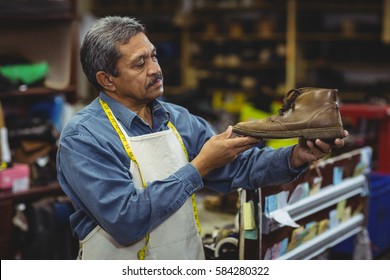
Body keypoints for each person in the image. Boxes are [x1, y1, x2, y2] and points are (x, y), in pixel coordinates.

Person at [56, 16, 347, 260]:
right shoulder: (84, 137)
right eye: (139, 63)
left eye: (153, 55)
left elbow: (237, 168)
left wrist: (295, 157)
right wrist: (198, 168)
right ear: (107, 79)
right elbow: (126, 220)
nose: (156, 69)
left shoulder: (177, 118)